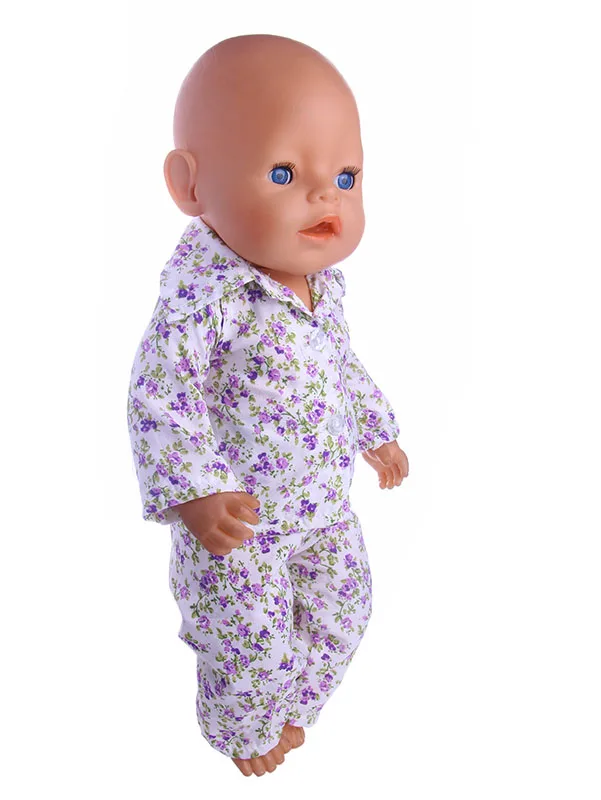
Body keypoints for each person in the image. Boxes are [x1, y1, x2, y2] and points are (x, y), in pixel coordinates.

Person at [126, 34, 409, 777]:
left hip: (322, 508)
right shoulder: (204, 298)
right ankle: (244, 731)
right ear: (190, 187)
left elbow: (338, 364)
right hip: (241, 522)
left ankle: (289, 712)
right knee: (248, 640)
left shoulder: (321, 286)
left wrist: (375, 430)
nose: (327, 197)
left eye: (346, 176)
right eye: (284, 173)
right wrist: (194, 492)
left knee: (346, 611)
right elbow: (161, 393)